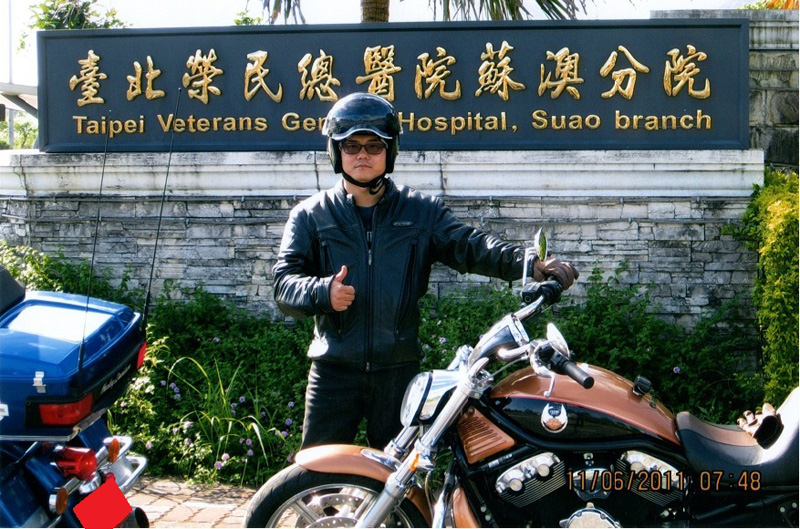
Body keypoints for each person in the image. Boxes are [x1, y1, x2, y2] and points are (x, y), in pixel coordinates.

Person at [273, 92, 578, 450]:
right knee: (317, 468)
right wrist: (322, 293)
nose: (362, 155)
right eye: (351, 145)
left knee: (399, 471)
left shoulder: (420, 211)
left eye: (374, 146)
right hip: (333, 371)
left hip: (397, 373)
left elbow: (471, 246)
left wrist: (530, 263)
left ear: (390, 151)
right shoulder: (311, 215)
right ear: (335, 151)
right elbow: (283, 285)